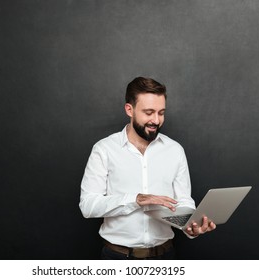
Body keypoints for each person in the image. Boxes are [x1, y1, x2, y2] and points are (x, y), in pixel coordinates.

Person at [79, 77, 216, 259]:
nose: (156, 120)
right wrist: (136, 200)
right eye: (149, 112)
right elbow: (88, 206)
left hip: (165, 256)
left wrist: (191, 226)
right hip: (117, 258)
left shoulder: (175, 150)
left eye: (161, 113)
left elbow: (183, 202)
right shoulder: (104, 149)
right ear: (130, 109)